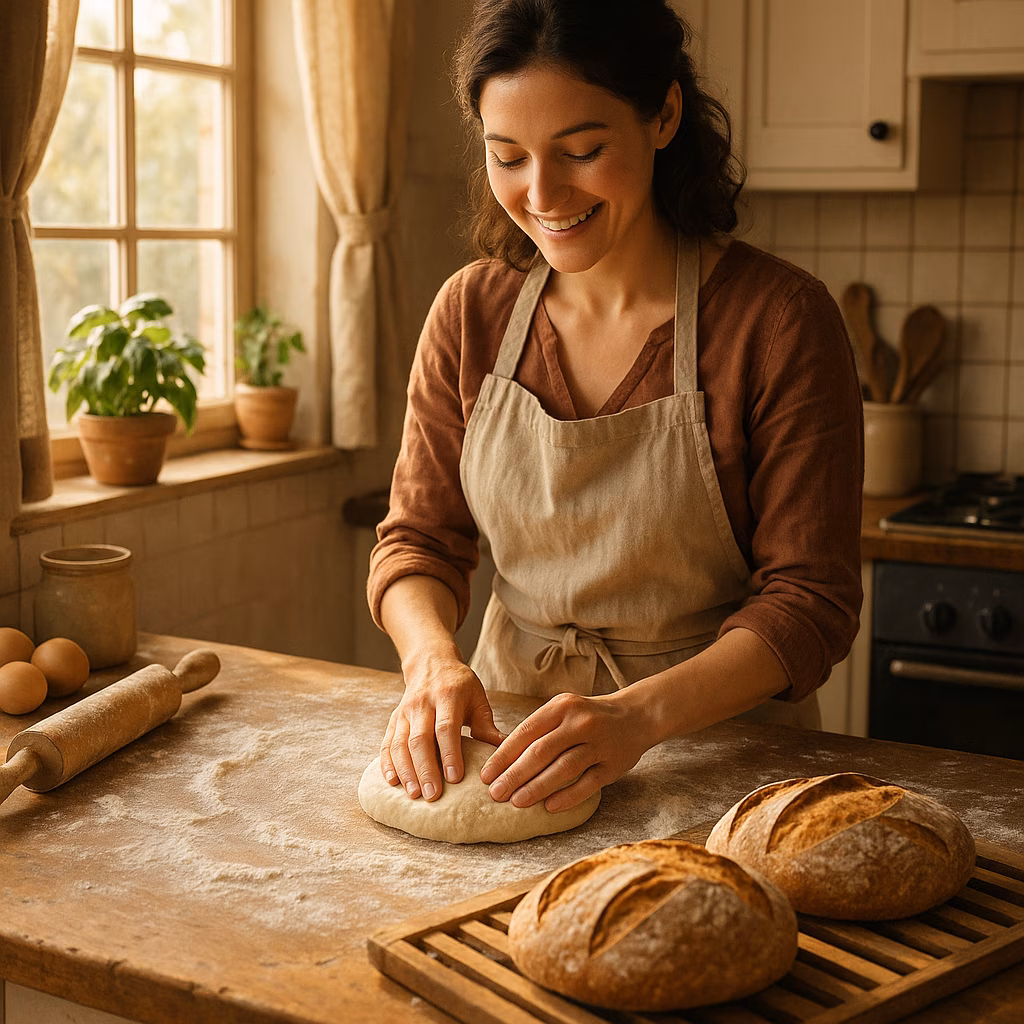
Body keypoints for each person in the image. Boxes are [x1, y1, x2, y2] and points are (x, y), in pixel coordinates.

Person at [366, 0, 863, 816]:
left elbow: (811, 601)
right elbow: (419, 541)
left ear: (663, 114)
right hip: (514, 747)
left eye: (583, 150)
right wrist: (431, 664)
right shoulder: (472, 312)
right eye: (508, 156)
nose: (543, 193)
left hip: (723, 758)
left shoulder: (776, 320)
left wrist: (636, 717)